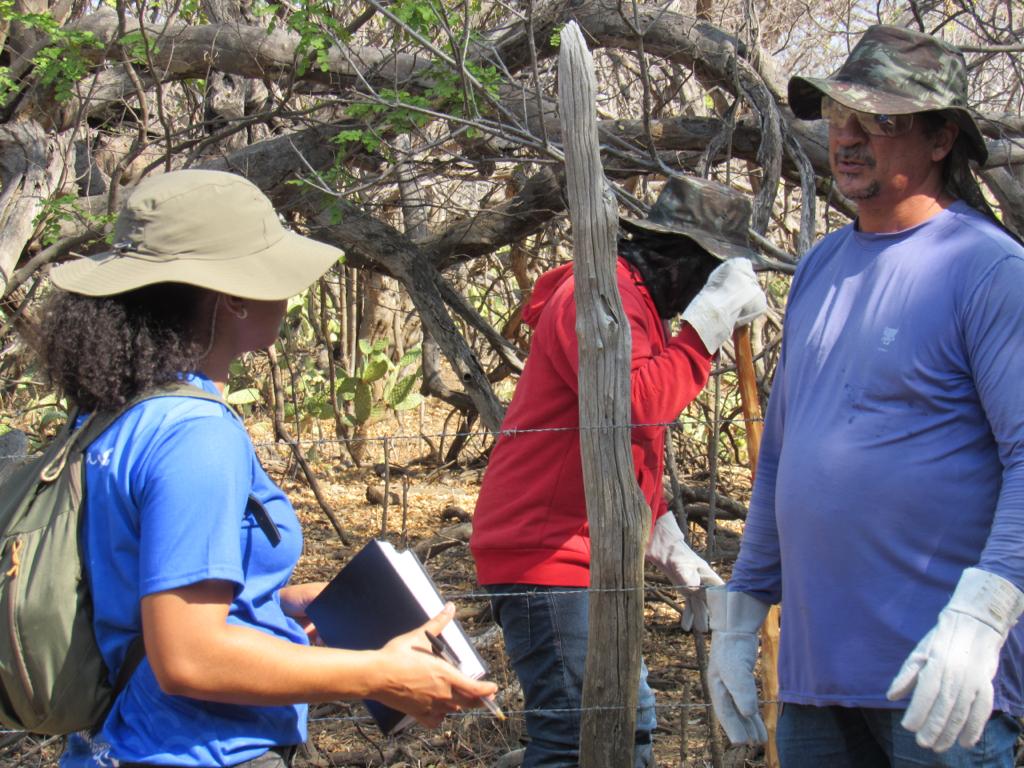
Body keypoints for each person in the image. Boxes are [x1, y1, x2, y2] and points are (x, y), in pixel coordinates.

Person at [41, 169, 496, 768]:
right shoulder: (194, 433)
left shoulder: (108, 415)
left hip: (113, 746)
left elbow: (137, 591)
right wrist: (378, 673)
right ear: (233, 297)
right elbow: (190, 659)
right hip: (201, 751)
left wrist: (269, 606)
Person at [707, 25, 1024, 768]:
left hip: (939, 681)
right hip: (820, 681)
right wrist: (743, 609)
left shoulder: (989, 271)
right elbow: (784, 455)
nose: (846, 138)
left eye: (878, 120)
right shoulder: (820, 267)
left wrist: (984, 615)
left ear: (942, 137)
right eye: (837, 117)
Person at [470, 175, 769, 767]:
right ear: (691, 263)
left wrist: (664, 534)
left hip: (586, 553)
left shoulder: (634, 302)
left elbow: (611, 444)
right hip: (546, 557)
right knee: (580, 741)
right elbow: (633, 402)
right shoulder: (599, 296)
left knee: (624, 730)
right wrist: (703, 332)